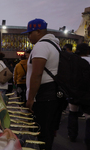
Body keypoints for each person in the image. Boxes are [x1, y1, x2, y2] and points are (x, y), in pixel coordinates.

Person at [23, 18, 61, 149]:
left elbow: (37, 74)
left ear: (38, 31)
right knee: (49, 131)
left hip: (45, 94)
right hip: (54, 92)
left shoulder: (41, 46)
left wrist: (30, 99)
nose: (28, 37)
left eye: (30, 33)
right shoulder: (55, 45)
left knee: (43, 132)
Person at [68, 43, 90, 149]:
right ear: (87, 51)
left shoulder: (72, 61)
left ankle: (72, 135)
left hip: (74, 92)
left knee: (73, 113)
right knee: (88, 116)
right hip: (87, 94)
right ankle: (88, 140)